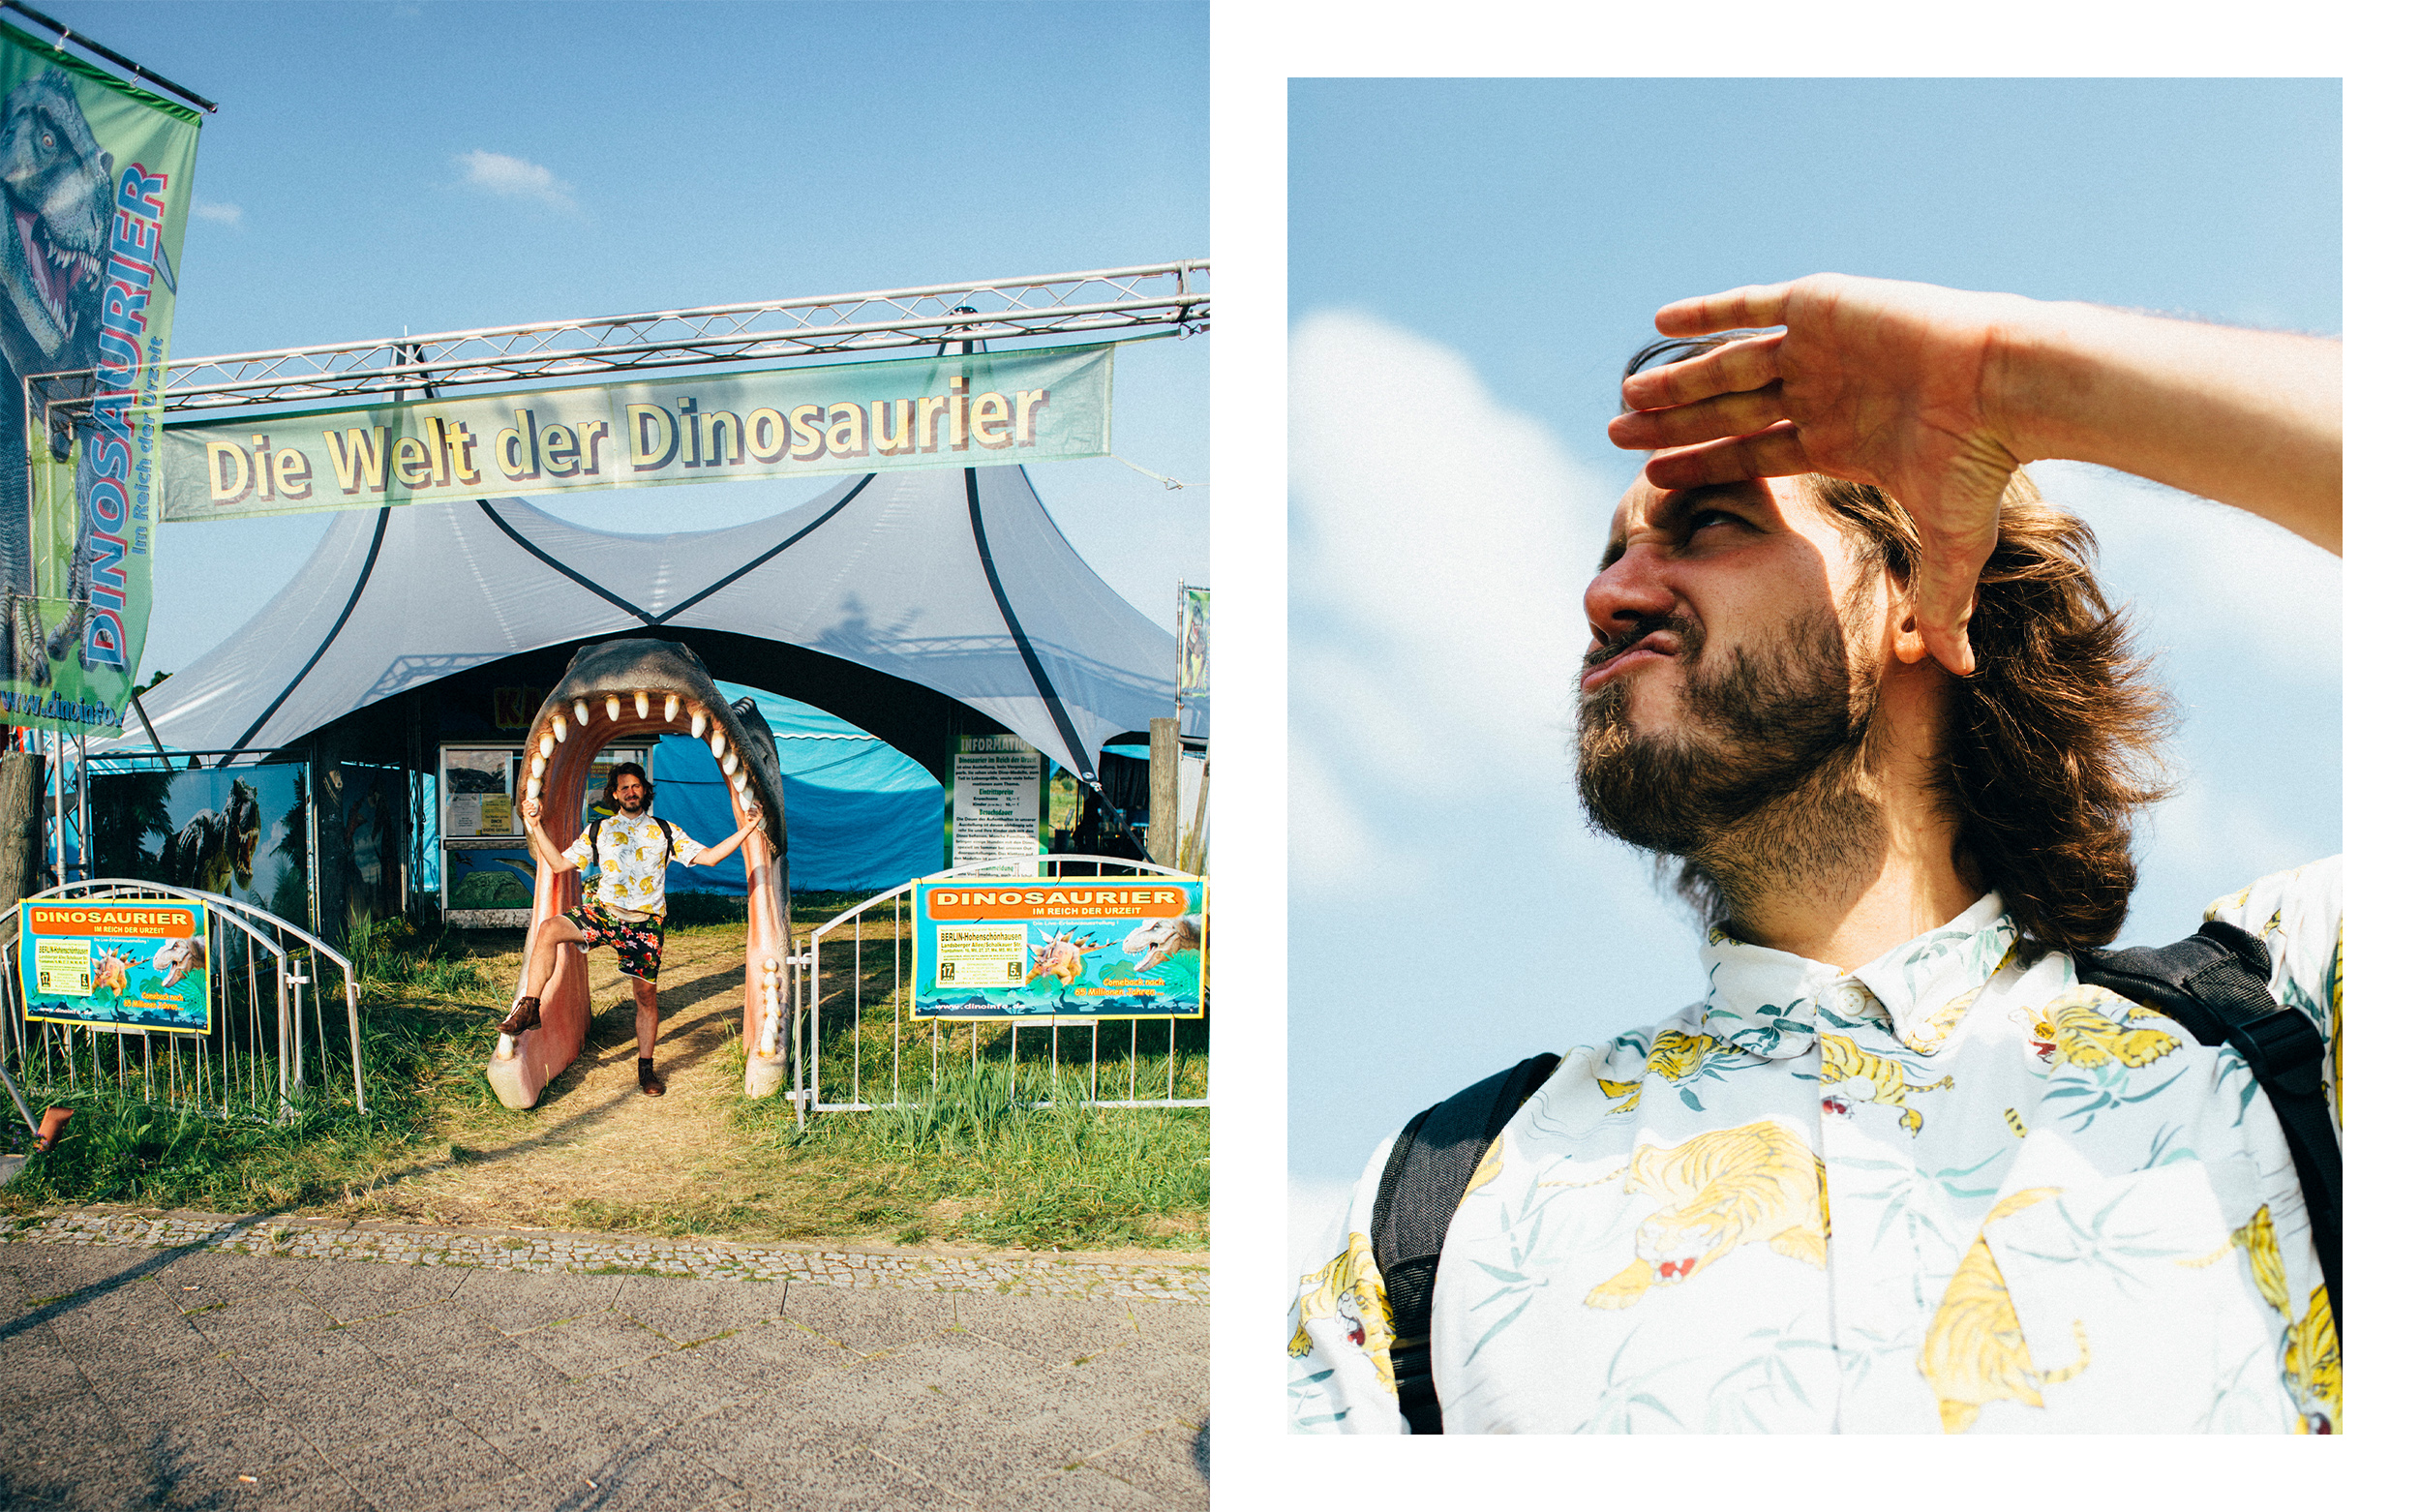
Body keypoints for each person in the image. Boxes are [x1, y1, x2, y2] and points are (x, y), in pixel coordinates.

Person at [1286, 274, 2342, 1435]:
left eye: (1711, 521)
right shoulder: (1436, 1204)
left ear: (1922, 590)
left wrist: (2009, 379)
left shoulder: (2281, 1031)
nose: (1608, 592)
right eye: (1611, 552)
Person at [501, 762, 763, 1097]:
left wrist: (751, 827)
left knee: (645, 997)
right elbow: (558, 864)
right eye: (623, 787)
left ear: (645, 791)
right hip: (605, 915)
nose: (630, 792)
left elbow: (710, 858)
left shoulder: (666, 831)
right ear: (614, 794)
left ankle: (646, 1068)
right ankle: (530, 1007)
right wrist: (535, 825)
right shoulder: (598, 830)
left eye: (636, 786)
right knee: (550, 928)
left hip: (645, 924)